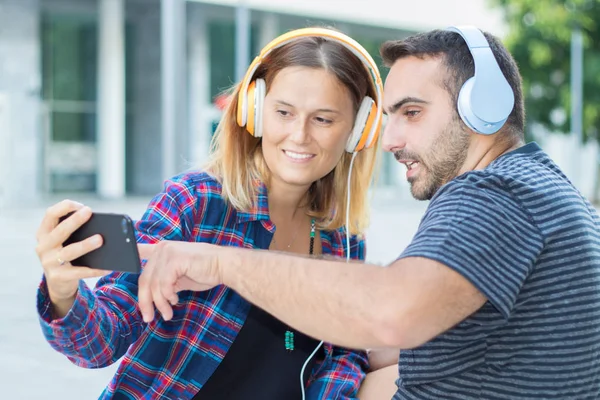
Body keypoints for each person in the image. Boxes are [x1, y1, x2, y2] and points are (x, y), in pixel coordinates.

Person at [136, 25, 600, 399]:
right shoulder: (545, 188)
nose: (391, 140)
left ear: (484, 108)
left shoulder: (494, 193)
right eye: (390, 117)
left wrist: (219, 262)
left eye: (412, 113)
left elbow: (390, 311)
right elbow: (422, 337)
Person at [34, 27, 385, 399]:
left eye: (323, 120)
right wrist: (62, 291)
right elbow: (100, 343)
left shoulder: (342, 239)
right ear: (255, 110)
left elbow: (341, 355)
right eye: (284, 112)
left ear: (358, 131)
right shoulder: (196, 201)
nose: (299, 135)